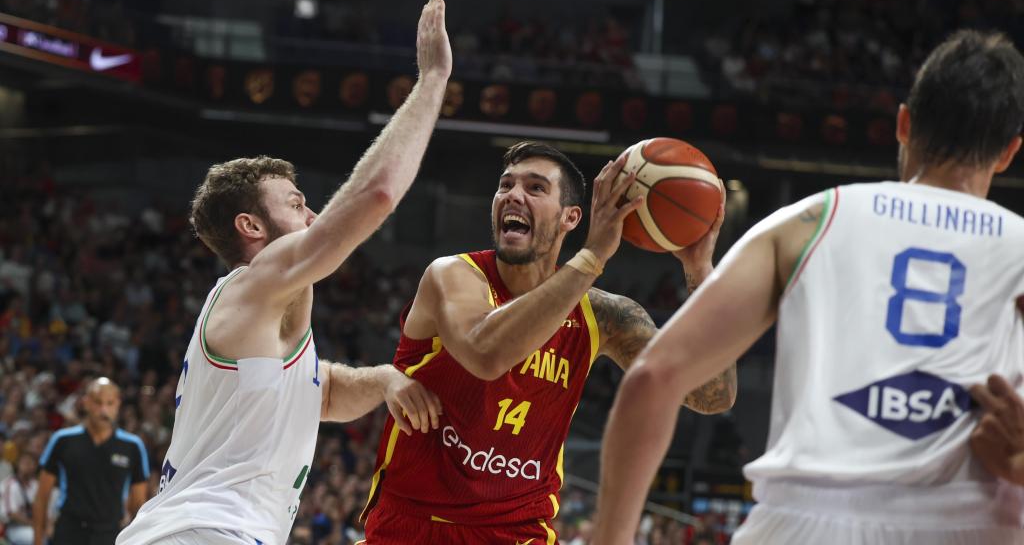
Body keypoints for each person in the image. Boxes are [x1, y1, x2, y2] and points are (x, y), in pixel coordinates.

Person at [593, 29, 1024, 544]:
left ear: (904, 124)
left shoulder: (810, 221)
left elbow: (652, 378)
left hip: (801, 525)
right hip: (969, 525)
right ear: (1008, 153)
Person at [116, 0, 452, 545]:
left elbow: (316, 395)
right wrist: (432, 81)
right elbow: (376, 194)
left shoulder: (263, 318)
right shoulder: (260, 280)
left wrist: (388, 379)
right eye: (297, 204)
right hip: (206, 533)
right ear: (252, 228)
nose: (314, 213)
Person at [359, 141, 737, 544]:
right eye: (505, 185)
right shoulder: (454, 276)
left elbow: (713, 395)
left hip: (519, 533)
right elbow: (486, 354)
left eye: (535, 188)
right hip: (414, 527)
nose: (513, 195)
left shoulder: (602, 316)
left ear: (570, 217)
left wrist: (700, 273)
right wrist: (592, 256)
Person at [33, 378, 149, 545]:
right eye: (97, 402)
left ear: (118, 405)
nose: (103, 409)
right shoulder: (63, 440)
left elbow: (139, 503)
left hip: (111, 534)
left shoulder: (133, 446)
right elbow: (42, 496)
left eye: (110, 403)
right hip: (69, 531)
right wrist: (37, 540)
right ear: (85, 403)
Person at [2, 452, 39, 545]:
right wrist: (34, 525)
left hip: (35, 524)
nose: (27, 466)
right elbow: (12, 514)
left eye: (31, 463)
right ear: (18, 464)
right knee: (34, 537)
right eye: (25, 462)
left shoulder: (36, 485)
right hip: (13, 527)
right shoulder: (10, 484)